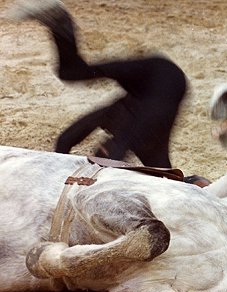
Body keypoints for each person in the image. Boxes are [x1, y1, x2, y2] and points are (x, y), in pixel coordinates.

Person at [11, 0, 187, 168]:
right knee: (74, 74)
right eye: (101, 152)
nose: (98, 149)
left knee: (70, 73)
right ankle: (58, 18)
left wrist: (60, 161)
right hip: (160, 77)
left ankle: (58, 20)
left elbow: (66, 139)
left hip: (152, 88)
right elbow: (108, 152)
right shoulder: (140, 140)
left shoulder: (119, 120)